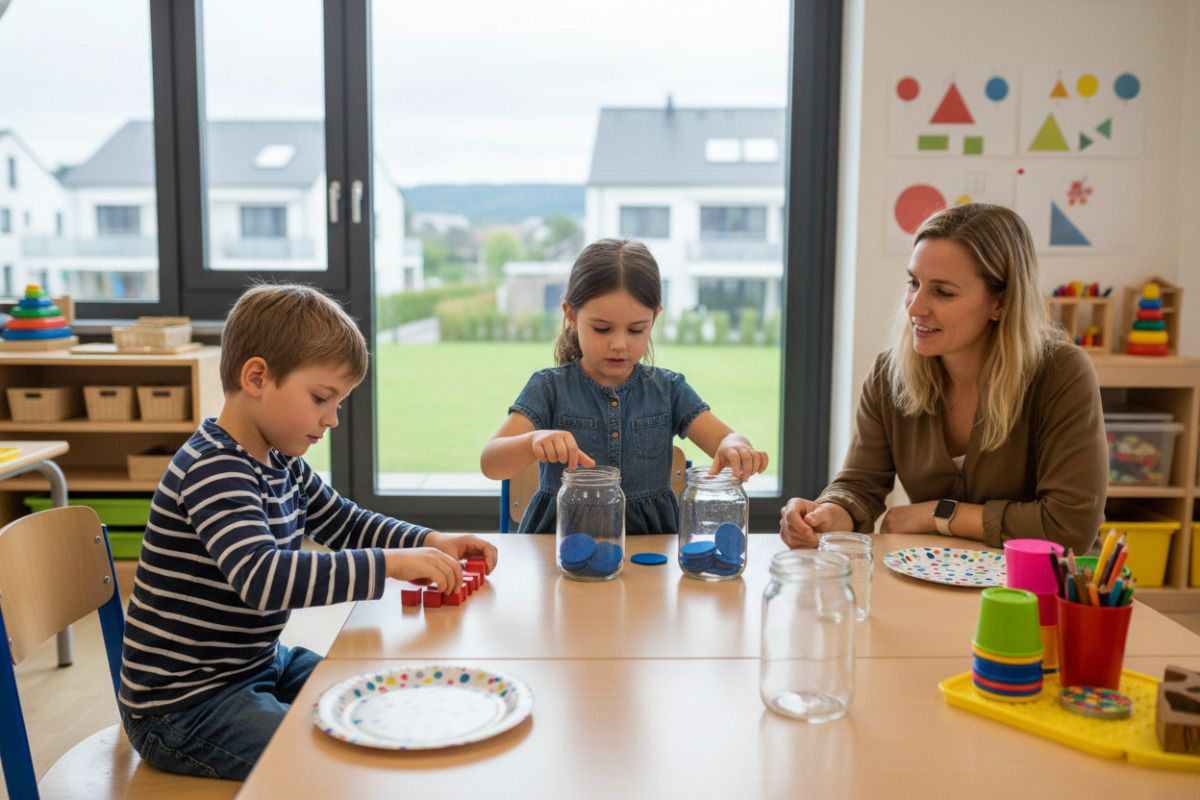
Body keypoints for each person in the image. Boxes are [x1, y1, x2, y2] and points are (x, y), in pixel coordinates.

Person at [118, 283, 497, 781]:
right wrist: (387, 566)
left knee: (368, 702)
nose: (332, 419)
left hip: (256, 666)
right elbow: (264, 577)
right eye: (322, 398)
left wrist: (427, 541)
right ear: (256, 377)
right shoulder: (212, 469)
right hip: (184, 706)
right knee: (324, 760)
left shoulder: (280, 462)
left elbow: (343, 521)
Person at [780, 203, 1106, 553]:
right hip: (937, 580)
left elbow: (1069, 526)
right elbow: (860, 488)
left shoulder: (1061, 373)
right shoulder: (888, 375)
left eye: (943, 292)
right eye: (913, 283)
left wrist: (936, 515)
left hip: (1035, 591)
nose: (915, 307)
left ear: (1001, 302)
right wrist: (825, 515)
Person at [481, 238, 768, 534]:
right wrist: (532, 441)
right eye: (602, 328)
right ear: (571, 316)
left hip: (652, 553)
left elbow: (726, 440)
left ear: (654, 319)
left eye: (636, 329)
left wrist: (736, 445)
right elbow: (491, 462)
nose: (619, 344)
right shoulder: (549, 387)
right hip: (560, 548)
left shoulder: (669, 389)